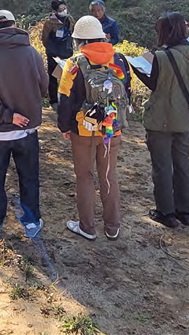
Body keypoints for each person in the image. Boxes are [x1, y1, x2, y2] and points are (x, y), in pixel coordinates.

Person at [0, 10, 48, 238]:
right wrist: (20, 113)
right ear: (15, 25)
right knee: (29, 176)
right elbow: (44, 87)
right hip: (27, 131)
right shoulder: (32, 53)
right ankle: (32, 221)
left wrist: (6, 116)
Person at [57, 16, 131, 241]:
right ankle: (113, 226)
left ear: (79, 40)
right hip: (112, 129)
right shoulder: (119, 59)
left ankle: (87, 227)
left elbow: (65, 99)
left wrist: (64, 126)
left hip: (84, 130)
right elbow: (126, 92)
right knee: (109, 175)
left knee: (84, 176)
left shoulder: (74, 62)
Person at [130, 12, 189, 228]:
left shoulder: (161, 57)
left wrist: (136, 69)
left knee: (162, 166)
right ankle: (185, 212)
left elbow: (155, 85)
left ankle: (166, 213)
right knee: (182, 164)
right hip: (185, 119)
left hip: (161, 118)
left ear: (166, 31)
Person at [41, 0, 74, 106]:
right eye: (61, 9)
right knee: (53, 77)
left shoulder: (70, 20)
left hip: (67, 52)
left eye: (65, 8)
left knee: (69, 76)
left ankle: (68, 98)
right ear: (55, 11)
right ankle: (54, 101)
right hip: (53, 54)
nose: (64, 11)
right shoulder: (50, 23)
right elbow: (44, 39)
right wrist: (51, 50)